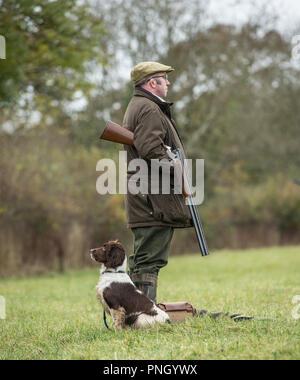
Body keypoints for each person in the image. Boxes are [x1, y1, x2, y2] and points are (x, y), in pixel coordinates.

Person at [123, 61, 192, 302]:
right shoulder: (149, 109)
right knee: (148, 260)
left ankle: (139, 313)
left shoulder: (141, 105)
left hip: (150, 197)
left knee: (146, 258)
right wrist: (177, 168)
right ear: (153, 82)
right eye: (164, 78)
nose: (169, 82)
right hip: (153, 200)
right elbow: (151, 150)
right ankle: (141, 317)